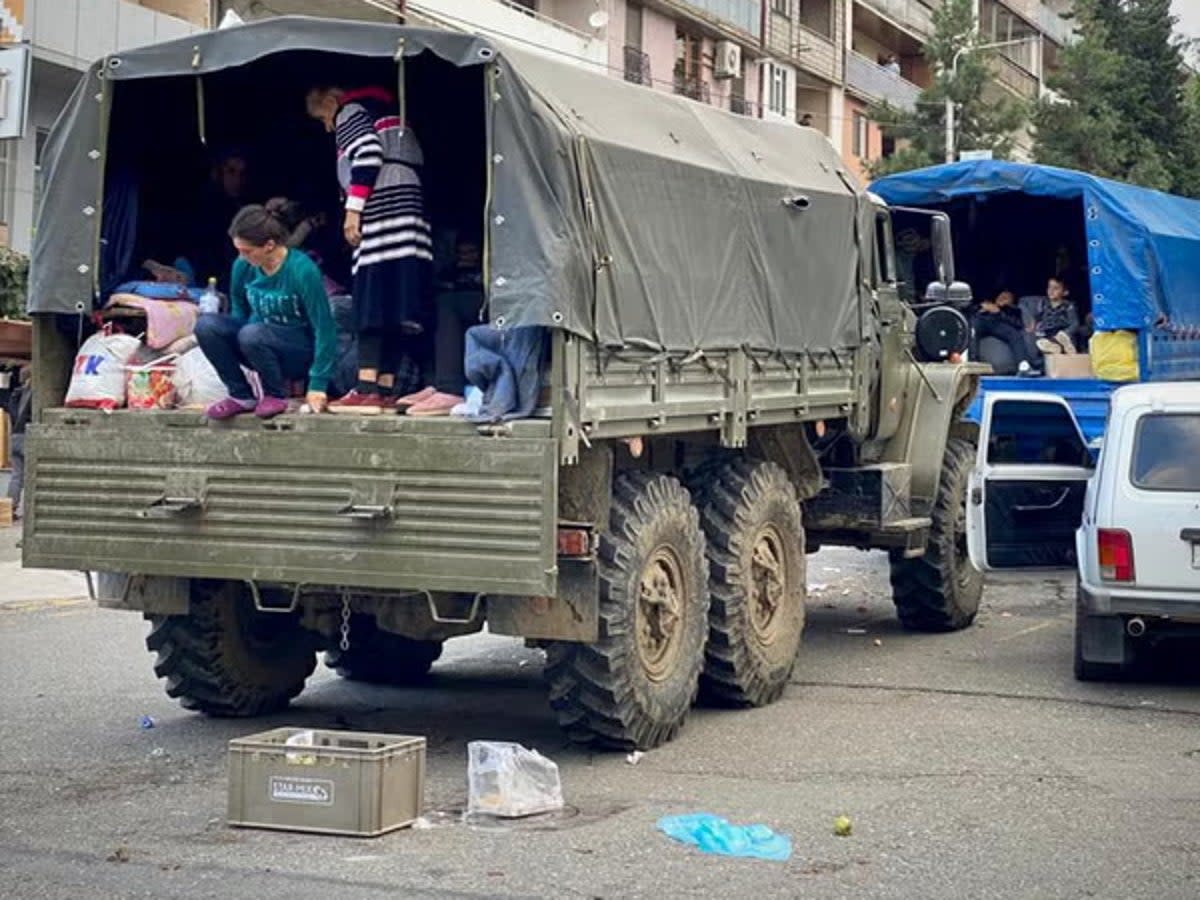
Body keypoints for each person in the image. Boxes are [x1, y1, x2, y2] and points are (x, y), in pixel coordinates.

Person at [305, 85, 434, 415]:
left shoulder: (350, 110)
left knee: (372, 297)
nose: (327, 127)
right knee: (394, 303)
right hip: (408, 205)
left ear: (332, 101)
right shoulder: (388, 113)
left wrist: (354, 209)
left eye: (323, 117)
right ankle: (385, 389)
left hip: (383, 208)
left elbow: (367, 155)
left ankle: (365, 390)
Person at [194, 205, 337, 420]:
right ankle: (241, 395)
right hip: (256, 343)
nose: (242, 256)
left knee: (252, 333)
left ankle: (274, 394)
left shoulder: (302, 270)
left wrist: (318, 383)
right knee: (206, 326)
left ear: (269, 245)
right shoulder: (243, 266)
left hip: (296, 349)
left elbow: (324, 329)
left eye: (247, 251)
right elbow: (239, 311)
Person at [398, 234, 485, 416]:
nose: (466, 255)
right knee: (423, 310)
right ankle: (434, 384)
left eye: (471, 252)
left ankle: (449, 389)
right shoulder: (450, 267)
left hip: (497, 300)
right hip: (460, 291)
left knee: (448, 304)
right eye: (462, 252)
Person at [190, 149, 253, 292]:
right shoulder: (208, 209)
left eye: (242, 174)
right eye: (231, 172)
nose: (237, 180)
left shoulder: (245, 205)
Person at [972, 289, 1034, 373]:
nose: (1002, 298)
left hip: (999, 325)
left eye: (1006, 298)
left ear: (1011, 301)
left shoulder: (1014, 310)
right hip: (981, 321)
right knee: (971, 330)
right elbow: (969, 313)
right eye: (1001, 296)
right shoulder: (986, 304)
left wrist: (999, 312)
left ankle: (1023, 364)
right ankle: (972, 362)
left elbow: (1018, 324)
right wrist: (981, 309)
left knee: (1014, 334)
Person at [1032, 276, 1081, 356]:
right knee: (1042, 343)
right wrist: (1034, 327)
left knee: (1064, 338)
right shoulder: (1043, 303)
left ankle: (1062, 347)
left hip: (1063, 332)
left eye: (1055, 288)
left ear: (1065, 292)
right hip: (1048, 333)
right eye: (1049, 287)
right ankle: (1055, 348)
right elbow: (1038, 317)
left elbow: (1075, 323)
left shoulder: (1068, 306)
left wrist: (1066, 333)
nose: (1051, 291)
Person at [6, 366, 31, 520]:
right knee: (32, 476)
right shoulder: (33, 395)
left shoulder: (15, 394)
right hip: (28, 437)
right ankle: (32, 511)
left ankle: (10, 509)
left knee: (16, 476)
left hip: (15, 436)